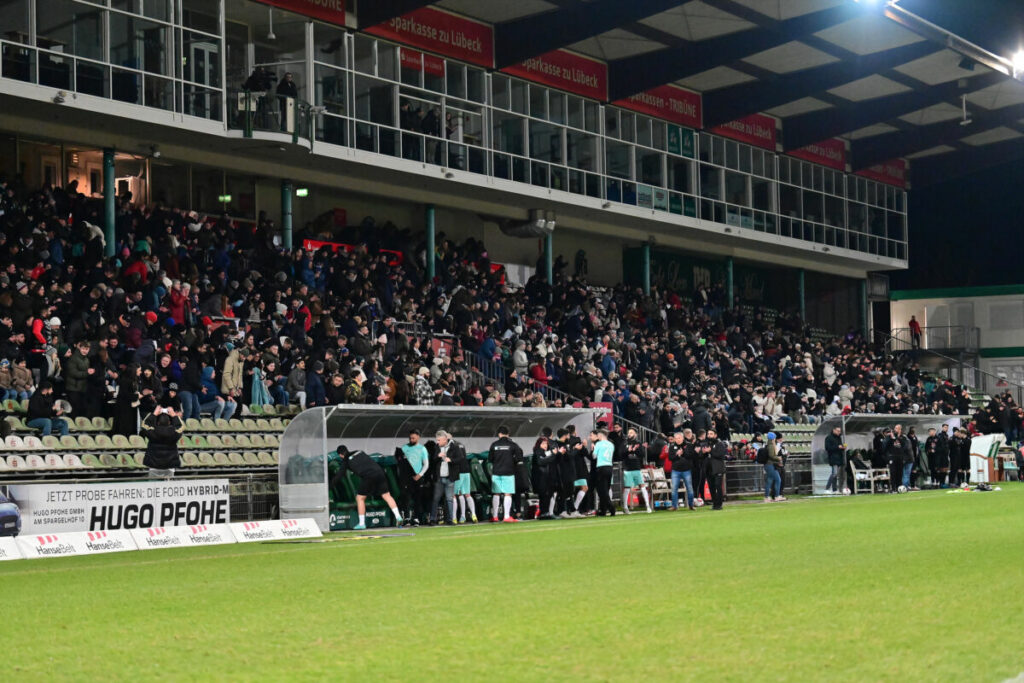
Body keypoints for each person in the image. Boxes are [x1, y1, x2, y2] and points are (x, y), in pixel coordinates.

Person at [332, 445, 403, 530]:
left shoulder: (346, 461)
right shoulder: (359, 451)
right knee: (386, 495)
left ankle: (362, 523)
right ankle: (398, 516)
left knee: (360, 498)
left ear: (340, 455)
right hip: (380, 473)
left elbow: (339, 476)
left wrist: (329, 486)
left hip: (368, 476)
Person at [486, 425, 521, 523]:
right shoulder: (513, 445)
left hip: (496, 472)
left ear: (499, 434)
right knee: (507, 493)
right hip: (508, 472)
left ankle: (495, 516)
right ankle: (506, 516)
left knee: (496, 493)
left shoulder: (494, 445)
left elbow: (490, 459)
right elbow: (519, 458)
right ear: (508, 434)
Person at [397, 429, 429, 526]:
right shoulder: (404, 448)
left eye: (413, 438)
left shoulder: (422, 449)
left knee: (417, 499)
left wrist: (420, 475)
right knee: (406, 497)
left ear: (418, 437)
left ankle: (416, 518)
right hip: (406, 478)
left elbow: (426, 464)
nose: (411, 440)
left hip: (418, 477)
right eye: (410, 438)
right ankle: (407, 518)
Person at [428, 430, 460, 525]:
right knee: (436, 499)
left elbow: (460, 459)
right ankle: (433, 519)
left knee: (449, 499)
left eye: (439, 440)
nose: (437, 442)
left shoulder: (454, 447)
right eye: (437, 440)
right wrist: (438, 456)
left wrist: (451, 460)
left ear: (445, 439)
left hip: (450, 477)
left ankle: (450, 519)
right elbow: (432, 461)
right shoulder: (436, 447)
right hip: (439, 478)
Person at [140, 406, 184, 476]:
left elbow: (144, 425)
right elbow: (181, 426)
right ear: (169, 422)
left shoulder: (152, 431)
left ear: (158, 423)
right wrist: (174, 415)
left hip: (154, 466)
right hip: (169, 466)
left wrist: (154, 414)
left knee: (153, 483)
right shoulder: (174, 432)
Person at [621, 427, 652, 514]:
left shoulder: (638, 443)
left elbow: (642, 454)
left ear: (635, 434)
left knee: (642, 486)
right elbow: (621, 454)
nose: (629, 434)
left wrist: (635, 450)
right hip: (627, 468)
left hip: (637, 468)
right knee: (627, 487)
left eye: (631, 432)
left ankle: (647, 506)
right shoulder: (625, 443)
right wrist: (628, 451)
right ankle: (625, 507)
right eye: (629, 432)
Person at [667, 429, 696, 511]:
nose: (678, 440)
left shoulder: (689, 445)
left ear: (683, 438)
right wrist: (677, 455)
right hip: (675, 470)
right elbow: (670, 458)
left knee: (689, 488)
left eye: (679, 438)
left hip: (687, 470)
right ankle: (674, 506)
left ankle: (691, 505)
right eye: (676, 438)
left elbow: (692, 456)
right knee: (674, 489)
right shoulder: (672, 447)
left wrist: (683, 453)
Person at [592, 429, 616, 516]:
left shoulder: (598, 444)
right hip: (609, 467)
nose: (597, 436)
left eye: (598, 435)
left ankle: (611, 508)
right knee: (606, 489)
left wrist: (593, 449)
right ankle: (603, 510)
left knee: (602, 490)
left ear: (601, 435)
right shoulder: (611, 444)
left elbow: (594, 456)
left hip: (601, 467)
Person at [704, 428, 728, 510]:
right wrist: (702, 452)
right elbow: (702, 455)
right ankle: (714, 504)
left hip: (717, 469)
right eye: (708, 434)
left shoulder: (720, 444)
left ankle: (719, 504)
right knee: (711, 487)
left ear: (715, 435)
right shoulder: (706, 443)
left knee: (718, 486)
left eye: (711, 434)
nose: (709, 435)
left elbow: (720, 455)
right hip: (709, 469)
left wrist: (710, 451)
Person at [884, 424, 912, 491]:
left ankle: (899, 487)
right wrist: (892, 439)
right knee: (893, 472)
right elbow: (885, 446)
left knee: (900, 473)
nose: (895, 429)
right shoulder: (889, 437)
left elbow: (905, 446)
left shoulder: (903, 437)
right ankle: (893, 488)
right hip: (892, 457)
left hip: (900, 457)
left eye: (897, 428)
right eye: (895, 428)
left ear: (900, 430)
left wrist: (898, 438)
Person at [761, 432, 785, 502]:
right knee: (778, 480)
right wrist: (778, 458)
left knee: (769, 481)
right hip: (770, 465)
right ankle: (777, 496)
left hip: (768, 465)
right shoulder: (771, 445)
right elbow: (771, 456)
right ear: (773, 438)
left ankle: (766, 497)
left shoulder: (768, 444)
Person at [824, 425, 846, 494]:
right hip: (833, 458)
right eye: (838, 431)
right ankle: (827, 488)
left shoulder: (839, 438)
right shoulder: (828, 438)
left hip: (839, 458)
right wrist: (837, 447)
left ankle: (834, 489)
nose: (839, 432)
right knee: (834, 473)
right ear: (834, 430)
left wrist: (842, 447)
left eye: (840, 431)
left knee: (836, 475)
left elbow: (839, 447)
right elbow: (827, 448)